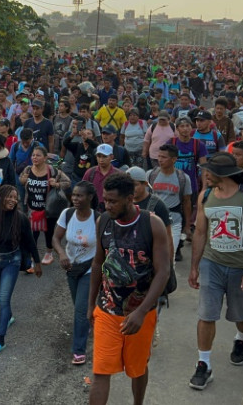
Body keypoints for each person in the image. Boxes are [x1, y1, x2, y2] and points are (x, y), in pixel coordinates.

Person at [87, 173, 170, 405]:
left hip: (141, 313)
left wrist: (142, 312)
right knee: (101, 371)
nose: (107, 205)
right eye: (105, 200)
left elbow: (163, 272)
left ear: (130, 198)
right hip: (107, 310)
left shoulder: (152, 224)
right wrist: (90, 304)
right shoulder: (102, 221)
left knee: (137, 368)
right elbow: (97, 263)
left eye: (113, 201)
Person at [188, 153, 243, 391]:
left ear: (223, 174)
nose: (205, 175)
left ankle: (241, 339)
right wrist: (194, 266)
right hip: (212, 264)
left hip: (241, 266)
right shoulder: (206, 196)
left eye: (208, 171)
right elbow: (200, 233)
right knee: (206, 314)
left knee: (241, 316)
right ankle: (204, 364)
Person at [0, 185, 41, 352]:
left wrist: (38, 262)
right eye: (9, 197)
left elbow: (30, 242)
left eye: (15, 198)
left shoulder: (21, 219)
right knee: (1, 296)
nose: (13, 200)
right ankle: (9, 316)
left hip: (12, 261)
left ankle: (0, 339)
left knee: (3, 298)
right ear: (1, 197)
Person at [51, 181, 98, 365]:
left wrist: (96, 264)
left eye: (80, 196)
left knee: (80, 309)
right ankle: (88, 321)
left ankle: (79, 350)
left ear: (90, 198)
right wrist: (62, 253)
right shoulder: (67, 214)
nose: (76, 199)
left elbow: (105, 245)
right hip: (71, 267)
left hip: (90, 268)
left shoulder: (98, 219)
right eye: (74, 195)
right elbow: (56, 237)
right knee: (80, 304)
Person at [20, 146, 71, 267]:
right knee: (33, 233)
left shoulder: (53, 171)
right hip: (32, 208)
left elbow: (68, 182)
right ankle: (32, 255)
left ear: (45, 158)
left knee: (49, 231)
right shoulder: (28, 169)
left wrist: (57, 184)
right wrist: (23, 179)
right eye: (33, 155)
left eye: (38, 155)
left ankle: (49, 252)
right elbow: (21, 180)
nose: (35, 158)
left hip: (49, 208)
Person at [146, 145, 192, 262]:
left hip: (174, 222)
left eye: (164, 157)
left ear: (174, 159)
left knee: (170, 257)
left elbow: (187, 202)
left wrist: (187, 226)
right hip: (153, 221)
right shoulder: (151, 175)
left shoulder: (183, 178)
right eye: (159, 156)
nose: (160, 160)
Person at [82, 144, 120, 213]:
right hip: (93, 210)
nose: (101, 159)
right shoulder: (90, 173)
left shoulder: (118, 175)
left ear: (111, 157)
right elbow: (83, 191)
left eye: (104, 156)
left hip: (113, 210)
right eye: (99, 156)